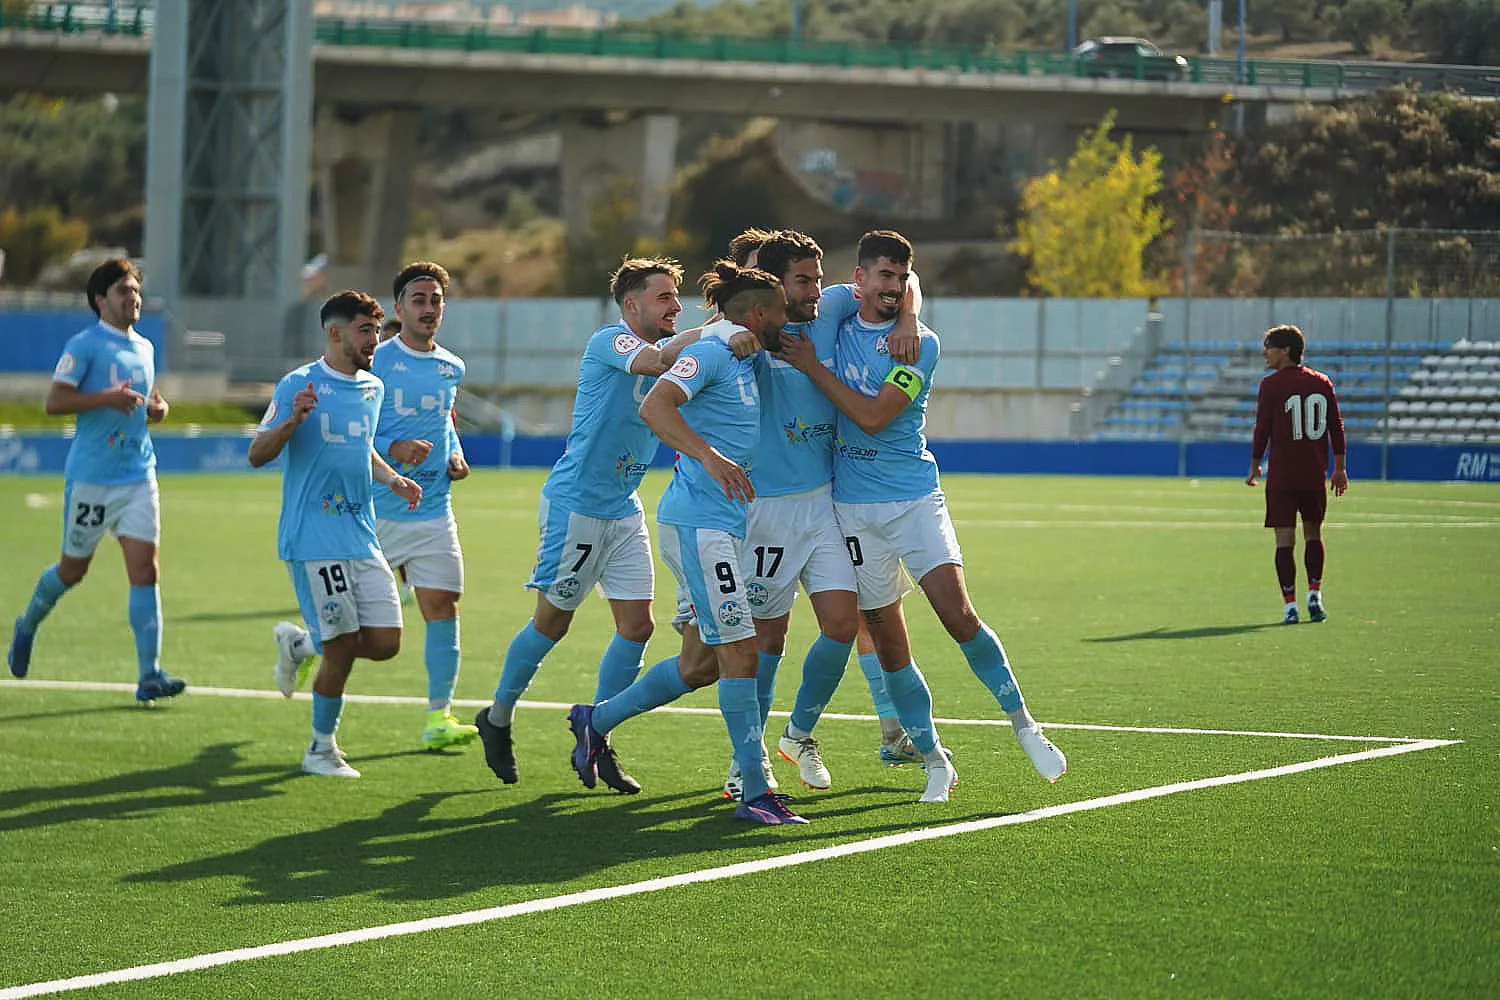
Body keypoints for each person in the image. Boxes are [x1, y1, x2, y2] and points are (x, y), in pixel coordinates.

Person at [779, 230, 1067, 803]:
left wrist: (820, 364)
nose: (889, 287)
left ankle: (1025, 725)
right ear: (858, 280)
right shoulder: (832, 315)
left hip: (913, 500)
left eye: (898, 277)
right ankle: (933, 759)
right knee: (887, 642)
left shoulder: (920, 345)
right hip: (853, 511)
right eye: (879, 276)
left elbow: (873, 418)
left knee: (958, 615)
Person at [475, 257, 755, 790]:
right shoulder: (612, 340)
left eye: (677, 297)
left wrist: (731, 337)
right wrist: (719, 328)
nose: (675, 306)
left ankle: (598, 736)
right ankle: (498, 716)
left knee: (638, 626)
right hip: (576, 504)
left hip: (624, 507)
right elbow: (656, 362)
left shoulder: (687, 349)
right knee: (552, 623)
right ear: (631, 306)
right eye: (664, 298)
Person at [567, 260, 808, 825]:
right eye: (777, 312)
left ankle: (594, 721)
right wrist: (709, 455)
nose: (786, 321)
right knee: (740, 651)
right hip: (699, 525)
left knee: (700, 666)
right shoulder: (716, 352)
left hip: (722, 523)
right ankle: (754, 790)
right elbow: (654, 405)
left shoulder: (747, 353)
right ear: (755, 315)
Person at [724, 228, 927, 800]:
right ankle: (747, 761)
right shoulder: (746, 334)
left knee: (843, 624)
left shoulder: (832, 305)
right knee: (764, 640)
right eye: (804, 281)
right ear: (773, 288)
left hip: (824, 502)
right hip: (764, 509)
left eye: (817, 278)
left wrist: (908, 319)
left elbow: (895, 280)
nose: (818, 289)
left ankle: (800, 734)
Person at [273, 262, 478, 751]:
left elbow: (446, 419)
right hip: (373, 514)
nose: (429, 309)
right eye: (419, 300)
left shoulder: (453, 366)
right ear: (400, 308)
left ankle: (438, 717)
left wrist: (455, 453)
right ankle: (302, 646)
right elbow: (357, 433)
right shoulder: (374, 362)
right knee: (359, 632)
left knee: (442, 607)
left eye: (436, 301)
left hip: (432, 509)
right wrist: (395, 450)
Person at [248, 290, 423, 778]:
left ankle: (300, 646)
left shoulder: (373, 388)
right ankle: (320, 749)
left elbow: (362, 449)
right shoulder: (298, 384)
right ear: (335, 332)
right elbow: (257, 453)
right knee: (343, 645)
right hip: (313, 538)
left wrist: (392, 479)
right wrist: (291, 421)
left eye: (376, 329)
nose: (375, 339)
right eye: (366, 330)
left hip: (361, 534)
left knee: (387, 642)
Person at [7, 259, 186, 703]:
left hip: (139, 474)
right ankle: (26, 624)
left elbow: (150, 400)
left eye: (136, 291)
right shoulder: (83, 345)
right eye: (124, 291)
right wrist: (106, 398)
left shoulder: (144, 347)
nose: (134, 298)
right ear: (100, 300)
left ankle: (149, 676)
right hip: (92, 479)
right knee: (72, 571)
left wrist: (158, 411)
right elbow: (54, 402)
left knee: (145, 571)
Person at [1247, 323, 1348, 624]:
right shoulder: (1323, 382)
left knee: (1284, 540)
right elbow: (1336, 427)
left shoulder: (1271, 385)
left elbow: (1262, 428)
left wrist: (1254, 464)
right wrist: (1340, 468)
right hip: (1313, 474)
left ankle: (1290, 606)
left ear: (1286, 350)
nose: (1265, 353)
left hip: (1283, 477)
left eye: (1270, 347)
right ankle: (1314, 594)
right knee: (1313, 533)